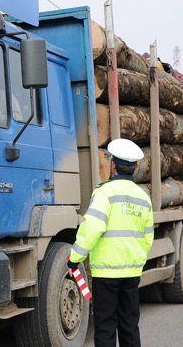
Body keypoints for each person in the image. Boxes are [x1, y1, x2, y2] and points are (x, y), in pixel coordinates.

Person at [68, 138, 154, 347]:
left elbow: (92, 228)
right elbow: (148, 237)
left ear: (113, 165)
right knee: (130, 326)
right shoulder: (143, 197)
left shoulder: (104, 192)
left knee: (106, 327)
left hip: (106, 273)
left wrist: (75, 258)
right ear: (135, 168)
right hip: (132, 273)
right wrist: (135, 260)